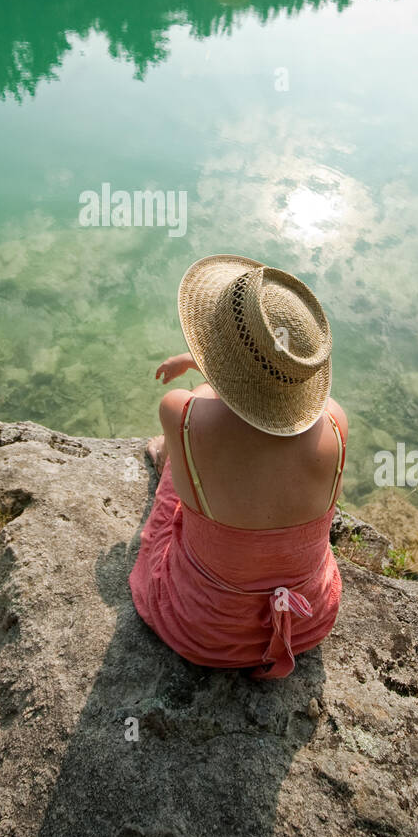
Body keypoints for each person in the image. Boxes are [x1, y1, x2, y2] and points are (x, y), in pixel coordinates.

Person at [128, 255, 347, 679]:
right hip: (306, 622)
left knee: (181, 465)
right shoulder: (335, 423)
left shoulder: (182, 413)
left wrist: (199, 368)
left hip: (202, 629)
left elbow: (220, 400)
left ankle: (163, 453)